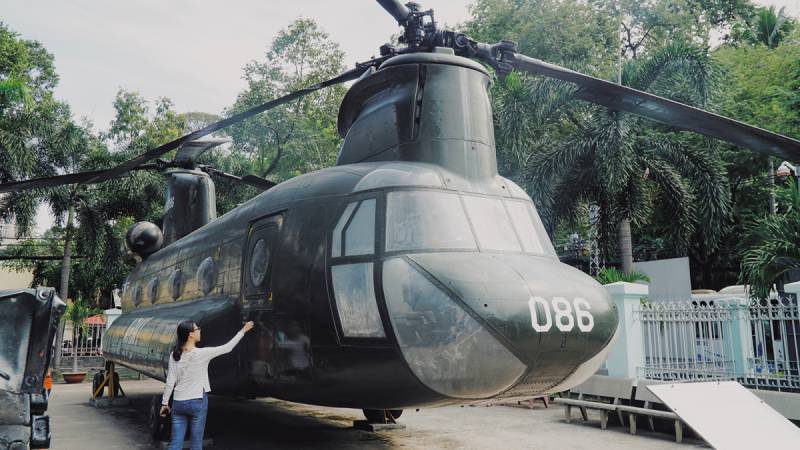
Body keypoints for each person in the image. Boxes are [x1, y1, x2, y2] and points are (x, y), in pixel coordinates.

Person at [160, 320, 254, 450]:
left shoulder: (174, 355)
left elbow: (170, 381)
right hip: (197, 401)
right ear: (190, 335)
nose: (200, 330)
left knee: (175, 444)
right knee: (196, 444)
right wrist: (243, 331)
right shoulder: (202, 353)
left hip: (178, 403)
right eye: (197, 328)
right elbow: (227, 348)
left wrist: (165, 404)